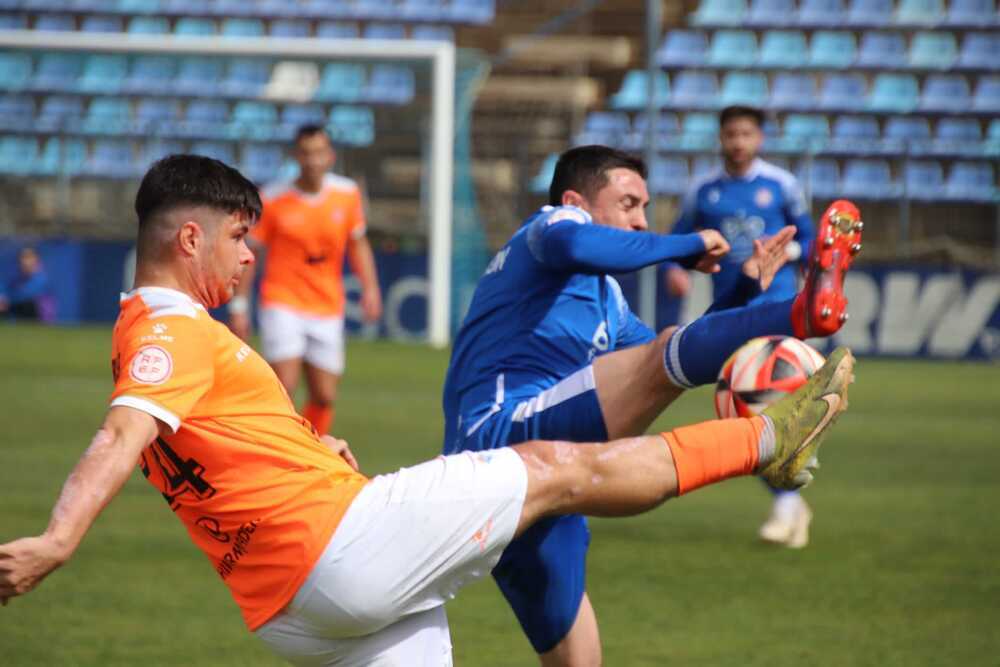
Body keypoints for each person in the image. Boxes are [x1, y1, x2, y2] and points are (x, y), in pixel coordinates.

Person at [0, 154, 857, 666]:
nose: (251, 255)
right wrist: (58, 539)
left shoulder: (147, 332)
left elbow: (208, 448)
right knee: (562, 466)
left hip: (289, 609)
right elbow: (123, 433)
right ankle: (766, 438)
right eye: (239, 236)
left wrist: (311, 445)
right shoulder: (170, 329)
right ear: (190, 238)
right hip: (342, 544)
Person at [442, 145, 862, 666]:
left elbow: (675, 357)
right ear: (576, 200)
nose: (641, 222)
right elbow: (582, 251)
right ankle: (804, 315)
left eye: (645, 208)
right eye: (628, 204)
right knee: (662, 356)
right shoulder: (548, 227)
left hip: (547, 485)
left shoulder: (607, 301)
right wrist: (682, 246)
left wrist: (745, 286)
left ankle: (796, 313)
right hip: (500, 435)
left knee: (579, 663)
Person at [663, 105, 821, 549]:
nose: (738, 142)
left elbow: (809, 240)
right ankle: (789, 502)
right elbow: (681, 236)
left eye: (746, 134)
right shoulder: (704, 189)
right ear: (720, 138)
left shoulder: (781, 185)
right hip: (729, 315)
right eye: (731, 134)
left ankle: (787, 503)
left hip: (775, 312)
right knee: (743, 414)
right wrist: (677, 268)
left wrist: (782, 255)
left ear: (760, 139)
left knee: (758, 411)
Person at [230, 125, 382, 436]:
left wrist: (370, 288)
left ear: (330, 156)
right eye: (306, 153)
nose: (312, 160)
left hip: (327, 304)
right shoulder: (273, 198)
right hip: (282, 300)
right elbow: (250, 253)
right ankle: (278, 452)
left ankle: (308, 448)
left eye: (319, 153)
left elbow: (358, 243)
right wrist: (240, 305)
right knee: (283, 388)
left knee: (324, 396)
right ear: (296, 156)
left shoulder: (346, 194)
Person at [0, 247, 54, 321]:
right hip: (18, 311)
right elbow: (5, 289)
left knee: (28, 305)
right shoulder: (16, 277)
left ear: (36, 260)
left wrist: (7, 301)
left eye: (28, 257)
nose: (25, 261)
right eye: (23, 257)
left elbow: (26, 294)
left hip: (40, 317)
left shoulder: (43, 278)